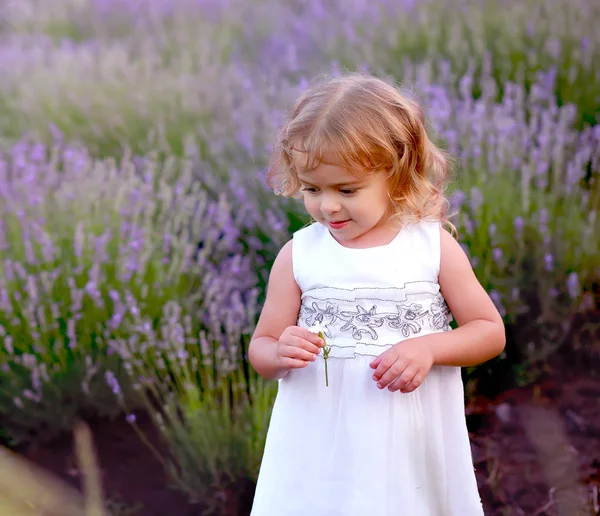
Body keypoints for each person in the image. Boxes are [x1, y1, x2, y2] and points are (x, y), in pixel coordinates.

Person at [248, 73, 505, 516]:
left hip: (410, 440)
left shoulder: (431, 246)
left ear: (397, 174)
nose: (327, 206)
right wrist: (280, 350)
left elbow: (489, 331)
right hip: (320, 445)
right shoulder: (300, 254)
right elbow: (262, 347)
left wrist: (428, 347)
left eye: (346, 190)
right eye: (312, 189)